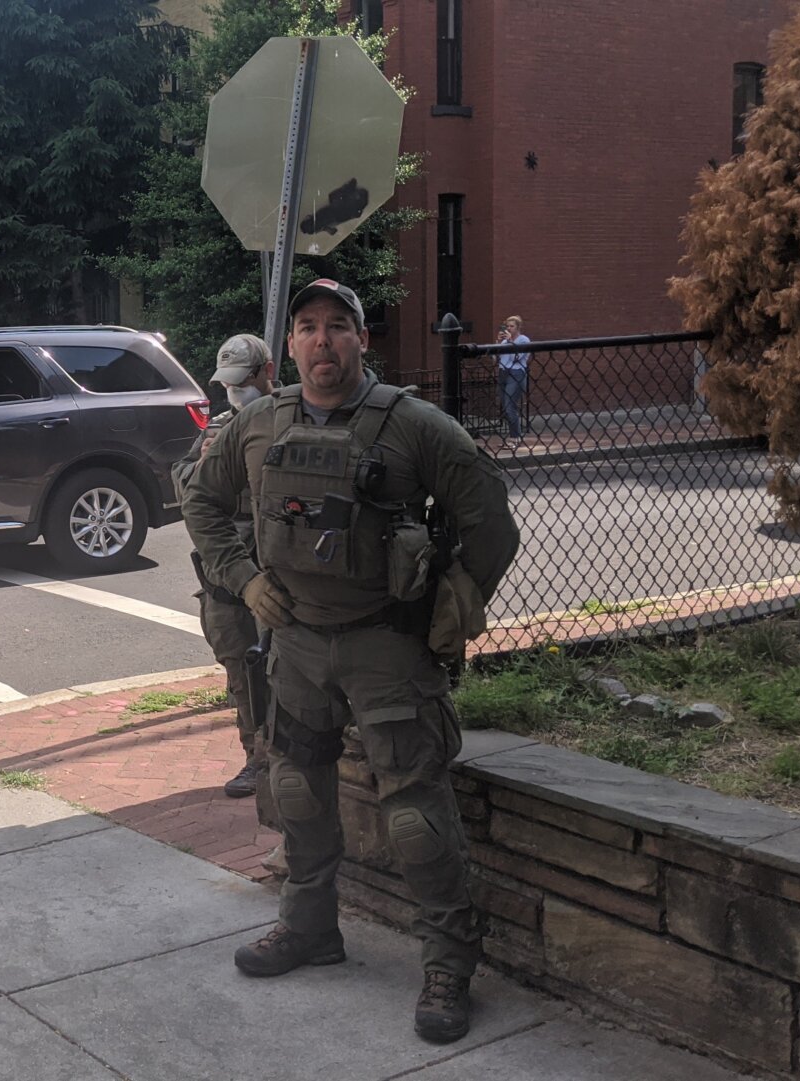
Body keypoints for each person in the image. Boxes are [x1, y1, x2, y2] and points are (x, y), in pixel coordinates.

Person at [184, 279, 520, 1045]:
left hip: (386, 647)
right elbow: (200, 500)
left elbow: (490, 521)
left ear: (362, 339)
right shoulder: (259, 424)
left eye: (338, 326)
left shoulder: (414, 426)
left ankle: (449, 961)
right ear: (289, 345)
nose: (322, 340)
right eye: (307, 326)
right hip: (296, 643)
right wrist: (244, 578)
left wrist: (455, 601)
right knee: (296, 788)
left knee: (415, 816)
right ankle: (308, 928)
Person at [172, 333, 275, 800]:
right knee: (241, 674)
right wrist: (203, 464)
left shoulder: (286, 420)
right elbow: (182, 486)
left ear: (266, 373)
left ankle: (285, 760)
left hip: (271, 573)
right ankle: (256, 757)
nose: (235, 392)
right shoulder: (217, 428)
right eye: (228, 384)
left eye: (242, 382)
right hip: (223, 579)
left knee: (284, 673)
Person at [496, 315, 531, 440]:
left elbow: (516, 357)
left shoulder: (523, 340)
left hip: (516, 373)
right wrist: (498, 343)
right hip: (503, 373)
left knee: (510, 406)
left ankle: (515, 438)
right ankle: (513, 436)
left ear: (518, 327)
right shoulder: (505, 341)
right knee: (505, 407)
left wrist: (511, 342)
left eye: (512, 326)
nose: (509, 329)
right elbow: (496, 359)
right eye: (507, 326)